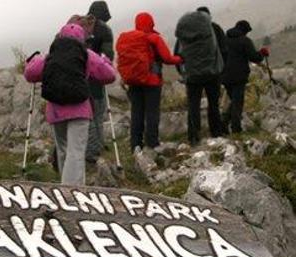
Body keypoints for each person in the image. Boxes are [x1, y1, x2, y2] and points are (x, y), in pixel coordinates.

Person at [24, 23, 116, 185]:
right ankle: (71, 193)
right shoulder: (86, 54)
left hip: (56, 110)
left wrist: (33, 61)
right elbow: (108, 75)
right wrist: (105, 60)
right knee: (76, 152)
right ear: (82, 38)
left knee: (63, 150)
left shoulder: (51, 55)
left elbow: (30, 74)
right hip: (79, 109)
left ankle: (64, 187)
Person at [116, 12, 183, 152]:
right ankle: (152, 142)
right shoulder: (154, 38)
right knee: (152, 112)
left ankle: (135, 144)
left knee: (137, 112)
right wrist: (181, 59)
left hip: (133, 82)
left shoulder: (129, 39)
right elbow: (167, 58)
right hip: (151, 81)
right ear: (151, 23)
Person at [175, 10, 225, 146]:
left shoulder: (184, 31)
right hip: (212, 73)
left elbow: (178, 54)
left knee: (193, 106)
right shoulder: (214, 28)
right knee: (213, 104)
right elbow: (223, 48)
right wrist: (220, 68)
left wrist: (182, 73)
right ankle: (216, 133)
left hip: (192, 75)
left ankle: (193, 136)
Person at [222, 20, 270, 133]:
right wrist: (262, 53)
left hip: (224, 75)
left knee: (234, 101)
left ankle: (223, 124)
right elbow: (254, 57)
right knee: (237, 103)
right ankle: (236, 129)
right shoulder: (245, 41)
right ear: (244, 30)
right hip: (239, 76)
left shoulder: (224, 40)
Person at [85, 1, 114, 163]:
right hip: (96, 77)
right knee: (97, 112)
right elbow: (107, 55)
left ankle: (92, 146)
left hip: (78, 77)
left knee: (85, 114)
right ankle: (94, 149)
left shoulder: (79, 25)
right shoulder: (104, 30)